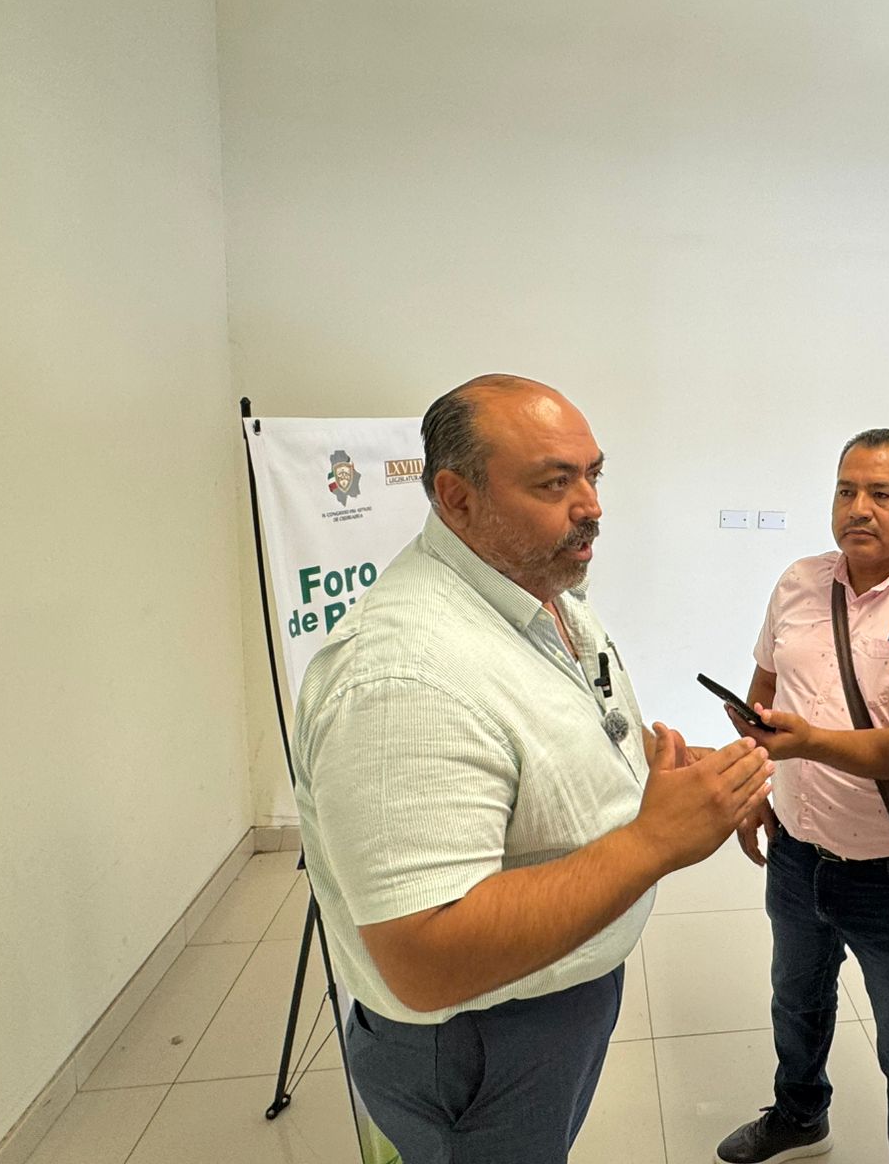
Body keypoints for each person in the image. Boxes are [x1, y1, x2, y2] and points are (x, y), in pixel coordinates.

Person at [291, 375, 773, 1164]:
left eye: (594, 474)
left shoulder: (536, 587)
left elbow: (549, 737)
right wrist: (655, 841)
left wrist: (674, 778)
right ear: (458, 497)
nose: (592, 505)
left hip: (551, 991)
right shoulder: (404, 681)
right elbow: (424, 957)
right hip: (478, 1040)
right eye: (555, 483)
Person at [714, 429, 889, 1164]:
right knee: (795, 1003)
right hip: (796, 852)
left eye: (881, 493)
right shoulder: (798, 581)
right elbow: (764, 689)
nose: (857, 507)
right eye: (846, 490)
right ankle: (799, 1117)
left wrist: (804, 742)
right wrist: (757, 780)